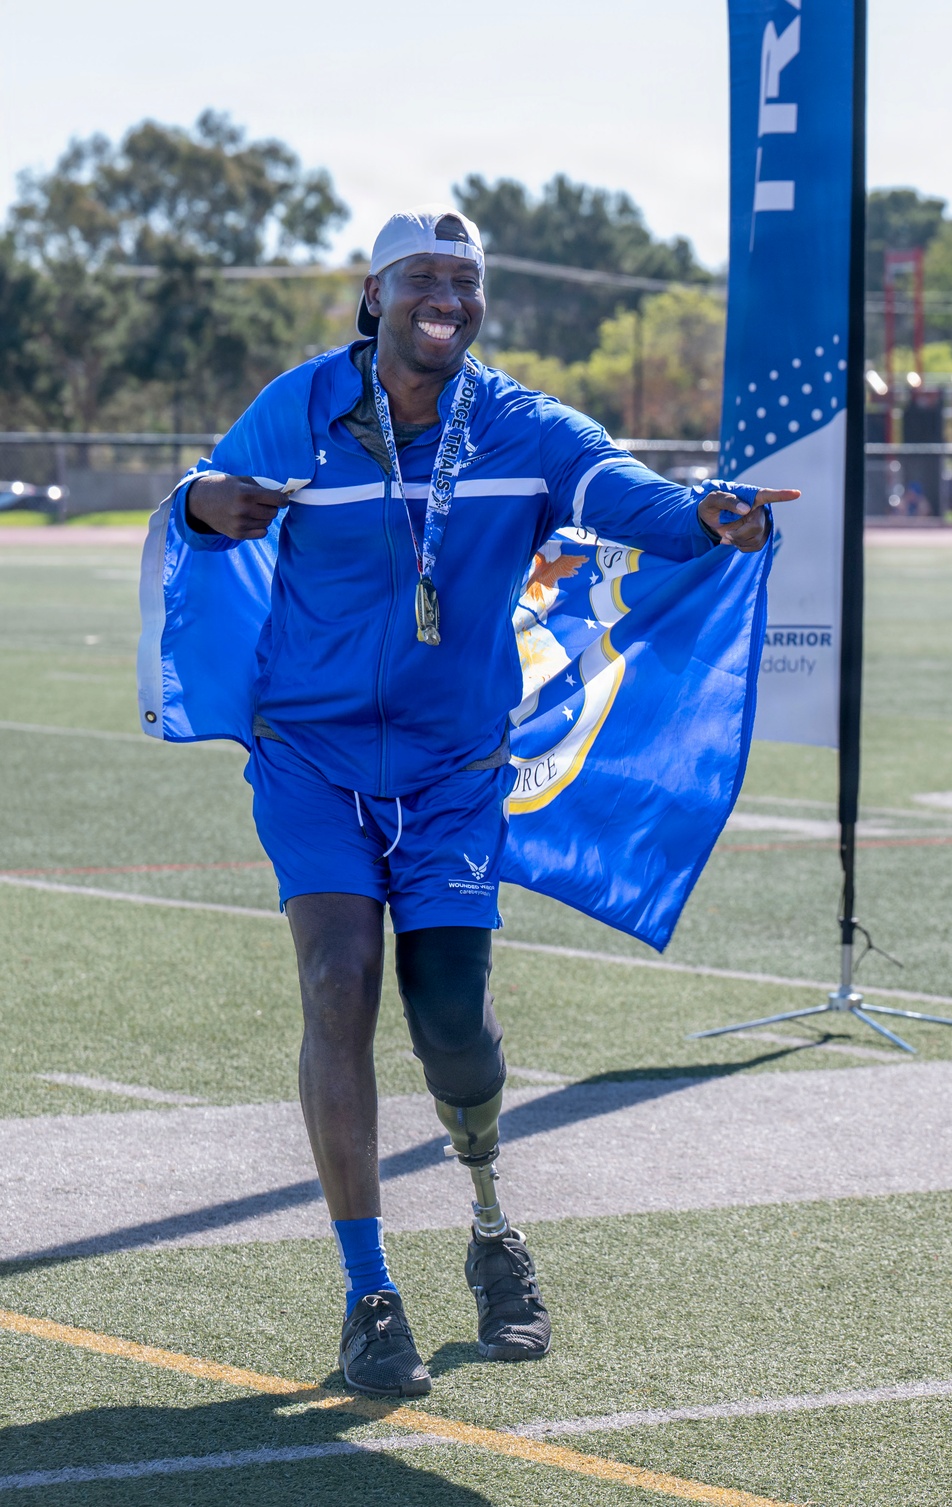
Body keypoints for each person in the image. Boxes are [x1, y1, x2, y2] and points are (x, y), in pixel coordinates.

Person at [168, 205, 798, 1398]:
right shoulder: (302, 406)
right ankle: (368, 1291)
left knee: (450, 1015)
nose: (445, 298)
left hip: (454, 771)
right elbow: (208, 490)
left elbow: (627, 494)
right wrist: (207, 505)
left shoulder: (519, 423)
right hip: (310, 757)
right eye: (422, 279)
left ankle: (489, 1212)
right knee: (335, 978)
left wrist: (707, 514)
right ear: (374, 296)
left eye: (463, 281)